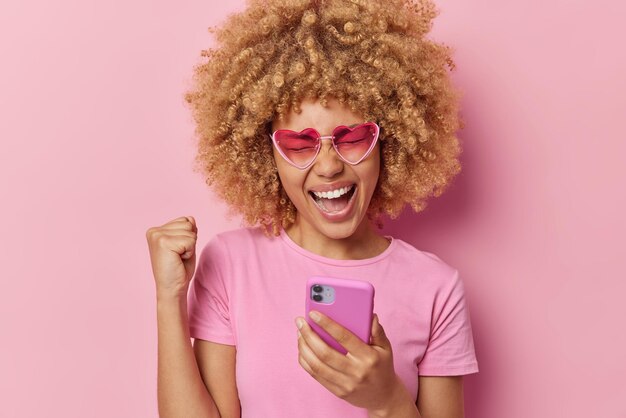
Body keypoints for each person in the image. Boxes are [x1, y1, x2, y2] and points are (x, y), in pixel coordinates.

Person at [145, 0, 479, 417]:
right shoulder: (231, 264)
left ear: (388, 141)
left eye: (352, 137)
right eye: (299, 144)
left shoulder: (436, 288)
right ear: (265, 154)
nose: (328, 166)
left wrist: (387, 401)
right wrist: (169, 297)